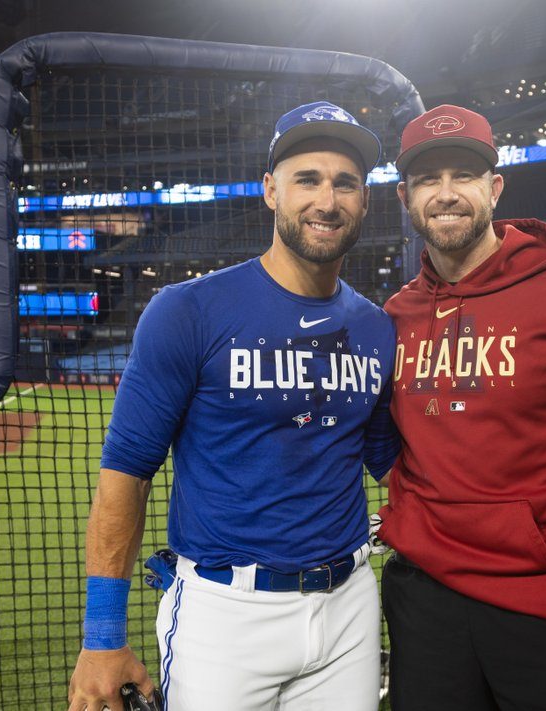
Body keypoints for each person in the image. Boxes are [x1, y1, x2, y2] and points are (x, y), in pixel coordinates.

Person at [67, 101, 398, 711]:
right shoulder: (188, 310)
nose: (327, 200)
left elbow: (388, 459)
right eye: (307, 179)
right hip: (224, 616)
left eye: (345, 182)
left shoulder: (377, 328)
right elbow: (126, 474)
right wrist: (104, 637)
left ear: (364, 200)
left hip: (349, 608)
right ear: (270, 189)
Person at [377, 104, 546, 711]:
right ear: (405, 195)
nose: (446, 194)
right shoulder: (395, 315)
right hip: (424, 604)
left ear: (495, 187)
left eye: (464, 175)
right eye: (427, 179)